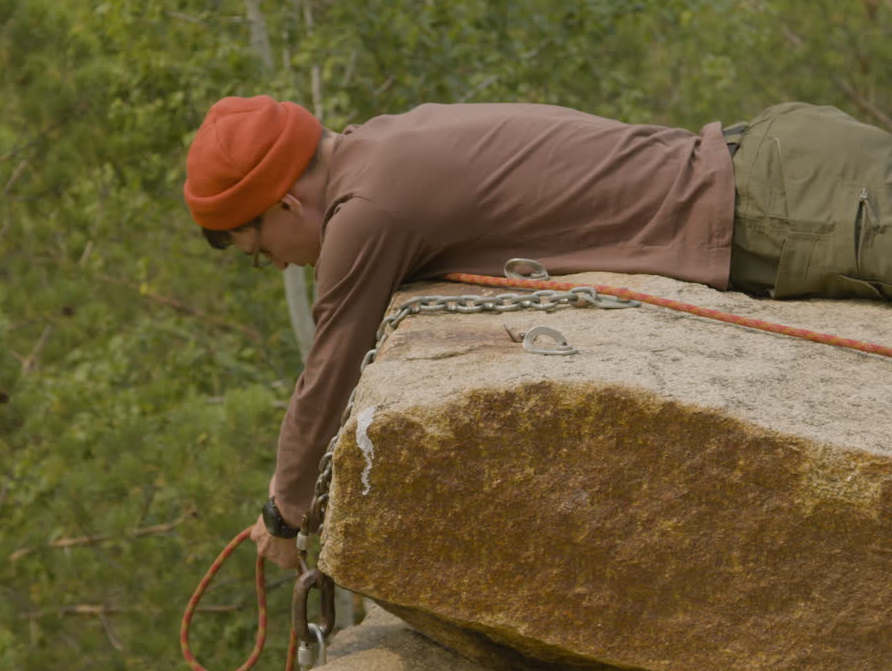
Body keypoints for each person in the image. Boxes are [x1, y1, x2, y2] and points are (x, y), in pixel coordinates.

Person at [182, 95, 892, 569]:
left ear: (283, 202)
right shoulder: (387, 140)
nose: (276, 262)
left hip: (797, 212)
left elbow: (329, 368)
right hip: (785, 157)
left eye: (261, 249)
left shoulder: (366, 210)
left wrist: (285, 507)